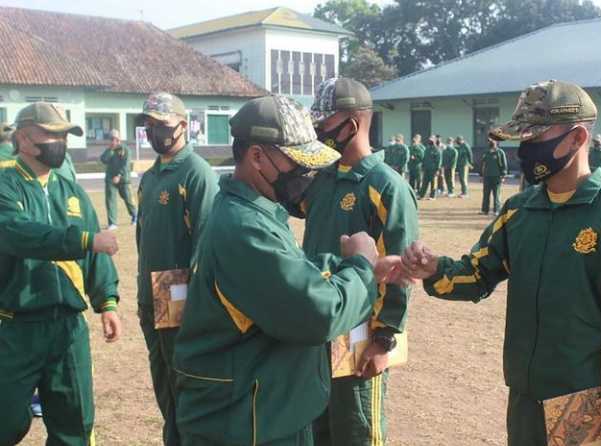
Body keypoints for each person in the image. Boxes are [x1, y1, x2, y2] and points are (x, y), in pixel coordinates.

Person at [400, 80, 601, 446]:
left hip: (588, 406)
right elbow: (478, 274)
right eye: (521, 140)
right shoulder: (519, 212)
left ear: (577, 138)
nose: (524, 150)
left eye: (534, 138)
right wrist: (434, 268)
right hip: (525, 398)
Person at [174, 95, 401, 446]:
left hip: (260, 411)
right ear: (257, 156)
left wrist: (345, 267)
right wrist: (360, 266)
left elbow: (287, 274)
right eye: (297, 162)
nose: (307, 174)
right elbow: (317, 313)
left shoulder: (254, 211)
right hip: (245, 422)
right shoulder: (244, 227)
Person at [0, 102, 121, 445]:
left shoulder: (72, 191)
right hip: (14, 325)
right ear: (23, 139)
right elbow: (18, 233)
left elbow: (94, 255)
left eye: (65, 135)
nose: (60, 142)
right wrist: (82, 241)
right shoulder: (5, 185)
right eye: (51, 134)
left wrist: (107, 301)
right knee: (5, 421)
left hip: (68, 328)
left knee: (75, 424)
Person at [308, 77, 418, 446]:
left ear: (350, 125)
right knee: (315, 428)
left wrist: (384, 338)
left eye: (323, 124)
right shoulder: (321, 180)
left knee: (356, 431)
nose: (317, 131)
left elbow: (400, 270)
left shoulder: (385, 186)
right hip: (317, 325)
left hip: (358, 335)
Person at [136, 92, 219, 446]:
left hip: (181, 299)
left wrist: (198, 307)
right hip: (151, 296)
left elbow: (207, 244)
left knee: (185, 385)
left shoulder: (196, 173)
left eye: (162, 126)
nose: (155, 133)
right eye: (149, 126)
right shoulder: (151, 176)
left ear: (183, 126)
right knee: (164, 384)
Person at [100, 129, 137, 230]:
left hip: (124, 179)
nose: (113, 141)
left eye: (115, 139)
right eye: (111, 139)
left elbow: (126, 165)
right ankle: (112, 223)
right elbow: (103, 160)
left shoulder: (126, 150)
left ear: (119, 140)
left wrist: (119, 175)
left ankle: (135, 216)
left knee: (128, 199)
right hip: (110, 179)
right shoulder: (109, 150)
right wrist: (110, 150)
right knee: (110, 200)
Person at [479, 138, 507, 215]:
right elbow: (482, 164)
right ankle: (485, 210)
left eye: (492, 140)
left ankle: (497, 210)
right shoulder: (486, 152)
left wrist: (503, 175)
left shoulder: (500, 152)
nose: (490, 142)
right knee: (486, 193)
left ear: (496, 142)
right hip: (487, 177)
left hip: (497, 177)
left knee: (496, 194)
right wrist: (481, 175)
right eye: (489, 141)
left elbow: (504, 165)